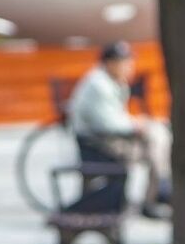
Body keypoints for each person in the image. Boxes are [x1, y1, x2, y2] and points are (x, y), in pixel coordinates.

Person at [64, 38, 173, 218]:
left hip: (104, 140)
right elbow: (107, 123)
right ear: (110, 63)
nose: (129, 66)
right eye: (124, 62)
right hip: (95, 144)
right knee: (155, 145)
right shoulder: (99, 85)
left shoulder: (111, 81)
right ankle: (155, 194)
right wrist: (137, 125)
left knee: (158, 139)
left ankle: (157, 191)